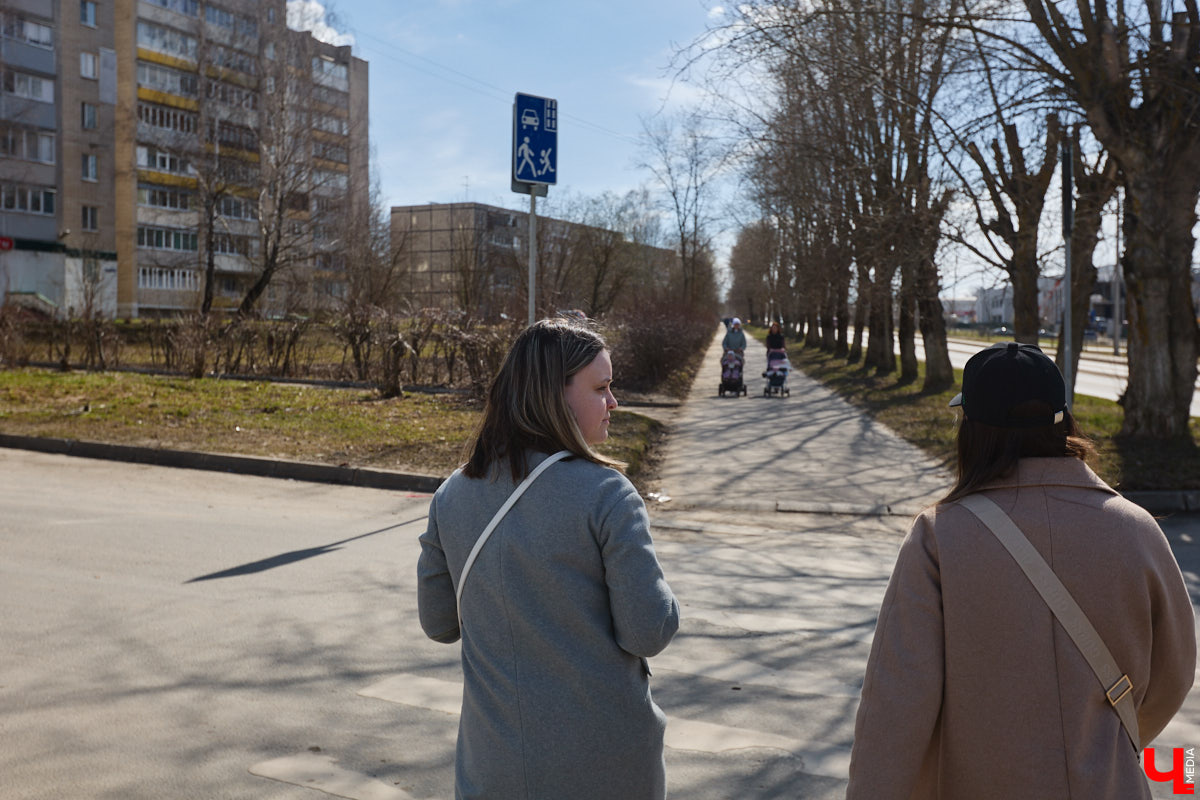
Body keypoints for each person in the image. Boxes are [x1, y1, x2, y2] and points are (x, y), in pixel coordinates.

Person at [846, 342, 1195, 799]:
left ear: (973, 429)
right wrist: (1109, 741)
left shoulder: (939, 538)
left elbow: (897, 704)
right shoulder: (1136, 529)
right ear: (1064, 422)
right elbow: (1174, 674)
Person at [418, 318, 680, 800]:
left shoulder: (451, 494)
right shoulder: (608, 495)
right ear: (552, 396)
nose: (613, 402)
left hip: (491, 765)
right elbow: (647, 631)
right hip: (605, 766)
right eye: (601, 388)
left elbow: (438, 623)